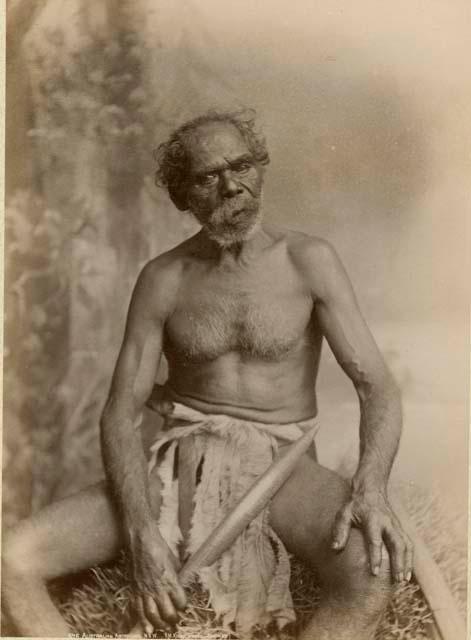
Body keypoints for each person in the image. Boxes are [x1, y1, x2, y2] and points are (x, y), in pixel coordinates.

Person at [2, 109, 413, 640]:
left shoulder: (309, 260)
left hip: (280, 466)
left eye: (240, 166)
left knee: (369, 574)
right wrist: (141, 529)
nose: (230, 187)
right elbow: (119, 415)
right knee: (12, 562)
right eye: (206, 176)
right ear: (182, 195)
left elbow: (376, 385)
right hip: (178, 463)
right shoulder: (162, 279)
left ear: (260, 168)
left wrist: (371, 488)